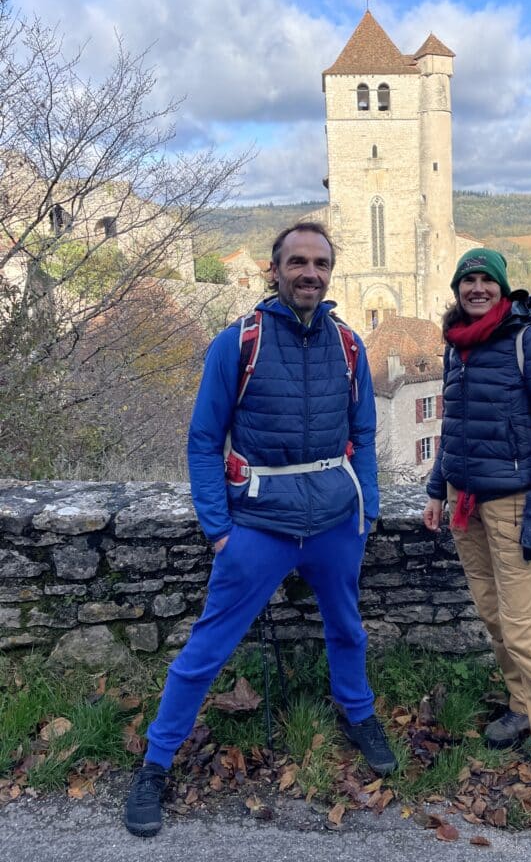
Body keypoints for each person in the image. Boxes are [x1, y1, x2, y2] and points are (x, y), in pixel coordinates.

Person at [124, 221, 396, 838]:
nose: (309, 272)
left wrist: (368, 511)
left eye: (320, 263)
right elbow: (202, 439)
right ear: (275, 270)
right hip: (257, 525)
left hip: (332, 522)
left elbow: (366, 435)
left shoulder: (350, 346)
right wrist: (218, 529)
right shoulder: (238, 342)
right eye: (297, 261)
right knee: (206, 650)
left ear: (331, 273)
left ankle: (359, 714)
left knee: (348, 629)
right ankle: (156, 764)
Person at [422, 248, 531, 833]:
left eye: (487, 278)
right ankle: (520, 707)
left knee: (525, 630)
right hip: (468, 501)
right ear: (457, 288)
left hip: (516, 503)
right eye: (468, 278)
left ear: (504, 286)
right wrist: (438, 487)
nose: (477, 287)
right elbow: (455, 428)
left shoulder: (529, 341)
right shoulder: (457, 344)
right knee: (493, 616)